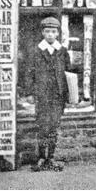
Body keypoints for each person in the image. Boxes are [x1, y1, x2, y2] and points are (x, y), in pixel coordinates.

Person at [28, 16, 72, 172]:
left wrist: (69, 94)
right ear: (42, 33)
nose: (50, 35)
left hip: (57, 95)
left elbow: (68, 72)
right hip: (43, 95)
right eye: (47, 31)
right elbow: (30, 73)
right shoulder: (36, 51)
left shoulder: (62, 51)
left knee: (54, 126)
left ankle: (51, 157)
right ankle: (41, 157)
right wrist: (31, 92)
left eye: (53, 32)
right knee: (43, 127)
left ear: (58, 33)